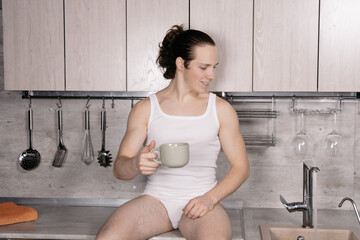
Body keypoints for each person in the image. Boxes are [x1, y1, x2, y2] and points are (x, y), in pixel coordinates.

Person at [96, 24, 250, 240]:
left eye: (214, 67)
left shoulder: (221, 110)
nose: (212, 75)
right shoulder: (145, 109)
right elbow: (120, 170)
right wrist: (135, 163)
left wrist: (210, 199)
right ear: (181, 63)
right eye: (204, 67)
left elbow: (241, 168)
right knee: (107, 238)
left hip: (203, 203)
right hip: (156, 201)